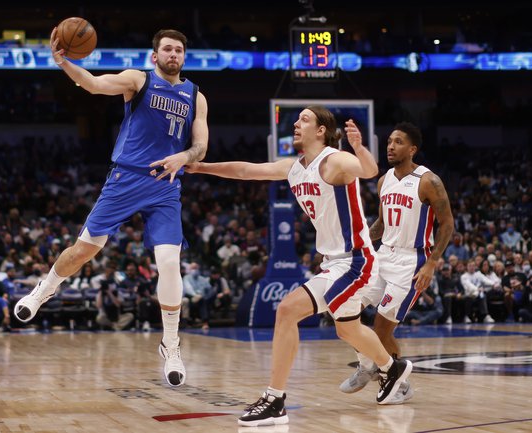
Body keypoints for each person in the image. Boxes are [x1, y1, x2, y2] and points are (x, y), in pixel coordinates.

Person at [187, 106, 412, 426]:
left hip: (355, 260)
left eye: (304, 119)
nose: (295, 123)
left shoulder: (333, 160)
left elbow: (368, 170)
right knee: (346, 328)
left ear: (321, 131)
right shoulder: (294, 167)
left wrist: (359, 147)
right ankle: (393, 369)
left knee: (287, 310)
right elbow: (245, 171)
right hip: (334, 261)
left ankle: (274, 399)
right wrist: (200, 167)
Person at [13, 29, 209, 387]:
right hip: (126, 178)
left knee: (169, 262)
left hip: (165, 185)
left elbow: (200, 147)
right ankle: (44, 289)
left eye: (179, 50)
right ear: (155, 56)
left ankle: (171, 344)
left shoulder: (196, 96)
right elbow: (93, 84)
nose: (173, 54)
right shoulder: (139, 79)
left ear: (184, 57)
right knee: (84, 251)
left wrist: (185, 155)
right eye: (167, 49)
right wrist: (64, 63)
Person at [340, 122, 454, 404]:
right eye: (390, 141)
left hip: (412, 260)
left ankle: (397, 384)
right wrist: (359, 244)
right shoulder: (384, 179)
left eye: (398, 142)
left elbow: (448, 223)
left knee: (381, 328)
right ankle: (368, 364)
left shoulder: (429, 181)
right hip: (383, 255)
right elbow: (381, 222)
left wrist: (432, 263)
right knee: (345, 307)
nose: (391, 146)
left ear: (412, 149)